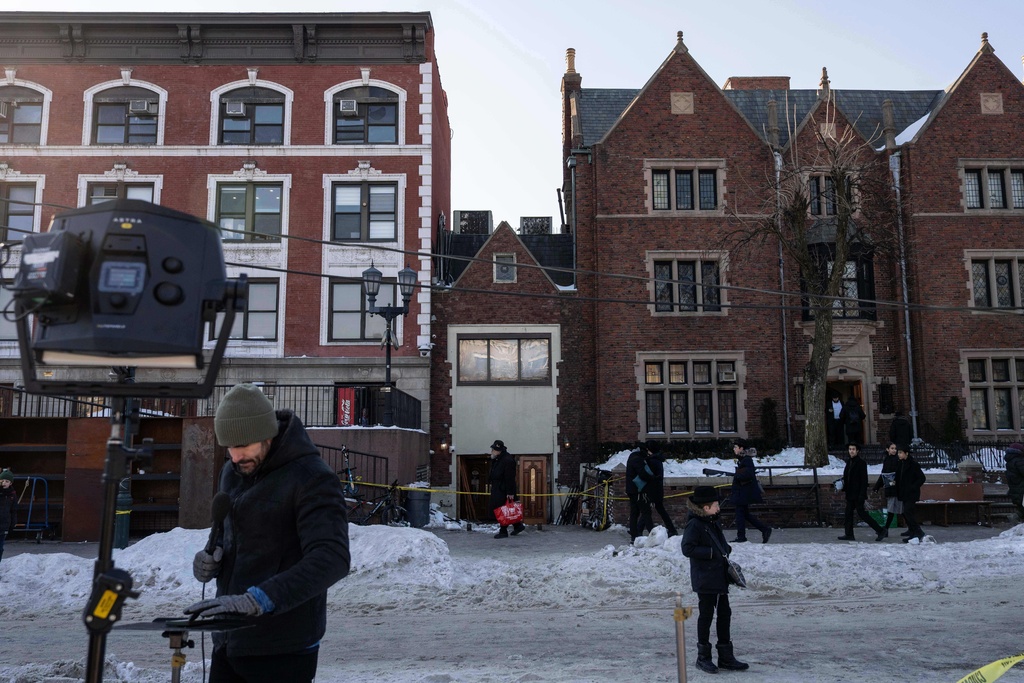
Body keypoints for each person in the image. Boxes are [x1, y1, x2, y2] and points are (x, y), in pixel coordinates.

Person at [185, 383, 350, 683]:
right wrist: (213, 556)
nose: (235, 456)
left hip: (283, 647)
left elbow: (332, 558)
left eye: (243, 445)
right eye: (229, 447)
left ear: (267, 433)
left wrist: (260, 599)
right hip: (229, 640)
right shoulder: (232, 473)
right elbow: (229, 536)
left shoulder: (312, 478)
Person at [681, 486, 750, 674]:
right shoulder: (695, 524)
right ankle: (703, 656)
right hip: (705, 578)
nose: (718, 508)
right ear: (705, 507)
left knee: (724, 614)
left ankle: (725, 656)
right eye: (715, 505)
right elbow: (687, 548)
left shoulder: (712, 521)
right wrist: (713, 553)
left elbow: (719, 542)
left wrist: (725, 548)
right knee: (706, 616)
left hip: (719, 577)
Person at [837, 443, 887, 542]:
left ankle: (880, 530)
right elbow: (848, 476)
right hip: (850, 493)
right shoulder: (849, 462)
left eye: (853, 449)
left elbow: (864, 480)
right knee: (848, 514)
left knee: (862, 514)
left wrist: (861, 494)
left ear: (857, 451)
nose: (851, 451)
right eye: (850, 449)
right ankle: (849, 534)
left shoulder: (861, 463)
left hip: (857, 494)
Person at [729, 439, 771, 544]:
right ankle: (764, 529)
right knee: (745, 514)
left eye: (735, 447)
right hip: (742, 491)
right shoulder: (743, 459)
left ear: (741, 448)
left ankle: (742, 537)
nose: (734, 449)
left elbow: (748, 474)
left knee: (740, 514)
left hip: (743, 492)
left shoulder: (746, 460)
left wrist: (737, 475)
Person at [489, 439, 524, 538]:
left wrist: (510, 492)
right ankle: (518, 526)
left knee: (503, 510)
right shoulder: (498, 459)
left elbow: (510, 478)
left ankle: (503, 531)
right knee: (506, 509)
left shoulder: (507, 460)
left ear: (498, 450)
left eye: (493, 450)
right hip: (499, 488)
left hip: (503, 490)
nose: (492, 451)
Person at [643, 442, 678, 537]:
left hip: (653, 488)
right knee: (657, 509)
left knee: (648, 509)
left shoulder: (652, 461)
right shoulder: (657, 460)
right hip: (657, 488)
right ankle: (671, 529)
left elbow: (648, 475)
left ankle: (672, 529)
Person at [895, 444, 927, 543]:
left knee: (907, 511)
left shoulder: (913, 465)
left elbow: (922, 478)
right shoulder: (900, 464)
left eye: (900, 453)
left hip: (911, 493)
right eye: (898, 453)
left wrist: (913, 487)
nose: (899, 455)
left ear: (906, 454)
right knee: (906, 512)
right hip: (903, 493)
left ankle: (918, 532)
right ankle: (913, 531)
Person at [625, 443, 654, 542]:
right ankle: (652, 535)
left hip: (632, 490)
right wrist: (652, 478)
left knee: (634, 513)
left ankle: (634, 536)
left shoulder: (632, 457)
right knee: (646, 512)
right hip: (638, 491)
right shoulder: (637, 459)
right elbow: (642, 473)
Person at [872, 442, 902, 530]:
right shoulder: (887, 460)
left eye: (895, 448)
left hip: (895, 488)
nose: (894, 450)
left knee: (892, 509)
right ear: (887, 449)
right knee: (893, 509)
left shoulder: (897, 460)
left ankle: (886, 529)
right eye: (892, 448)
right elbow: (883, 474)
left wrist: (893, 482)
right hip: (890, 487)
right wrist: (877, 486)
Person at [1005, 443, 1024, 520]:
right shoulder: (1019, 461)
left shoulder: (1010, 461)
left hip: (1016, 489)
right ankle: (1015, 518)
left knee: (1021, 508)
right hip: (1021, 489)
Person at [0, 469, 15, 565]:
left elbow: (13, 511)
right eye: (2, 481)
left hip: (3, 526)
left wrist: (12, 524)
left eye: (7, 481)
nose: (4, 483)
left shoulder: (12, 495)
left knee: (0, 549)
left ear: (10, 483)